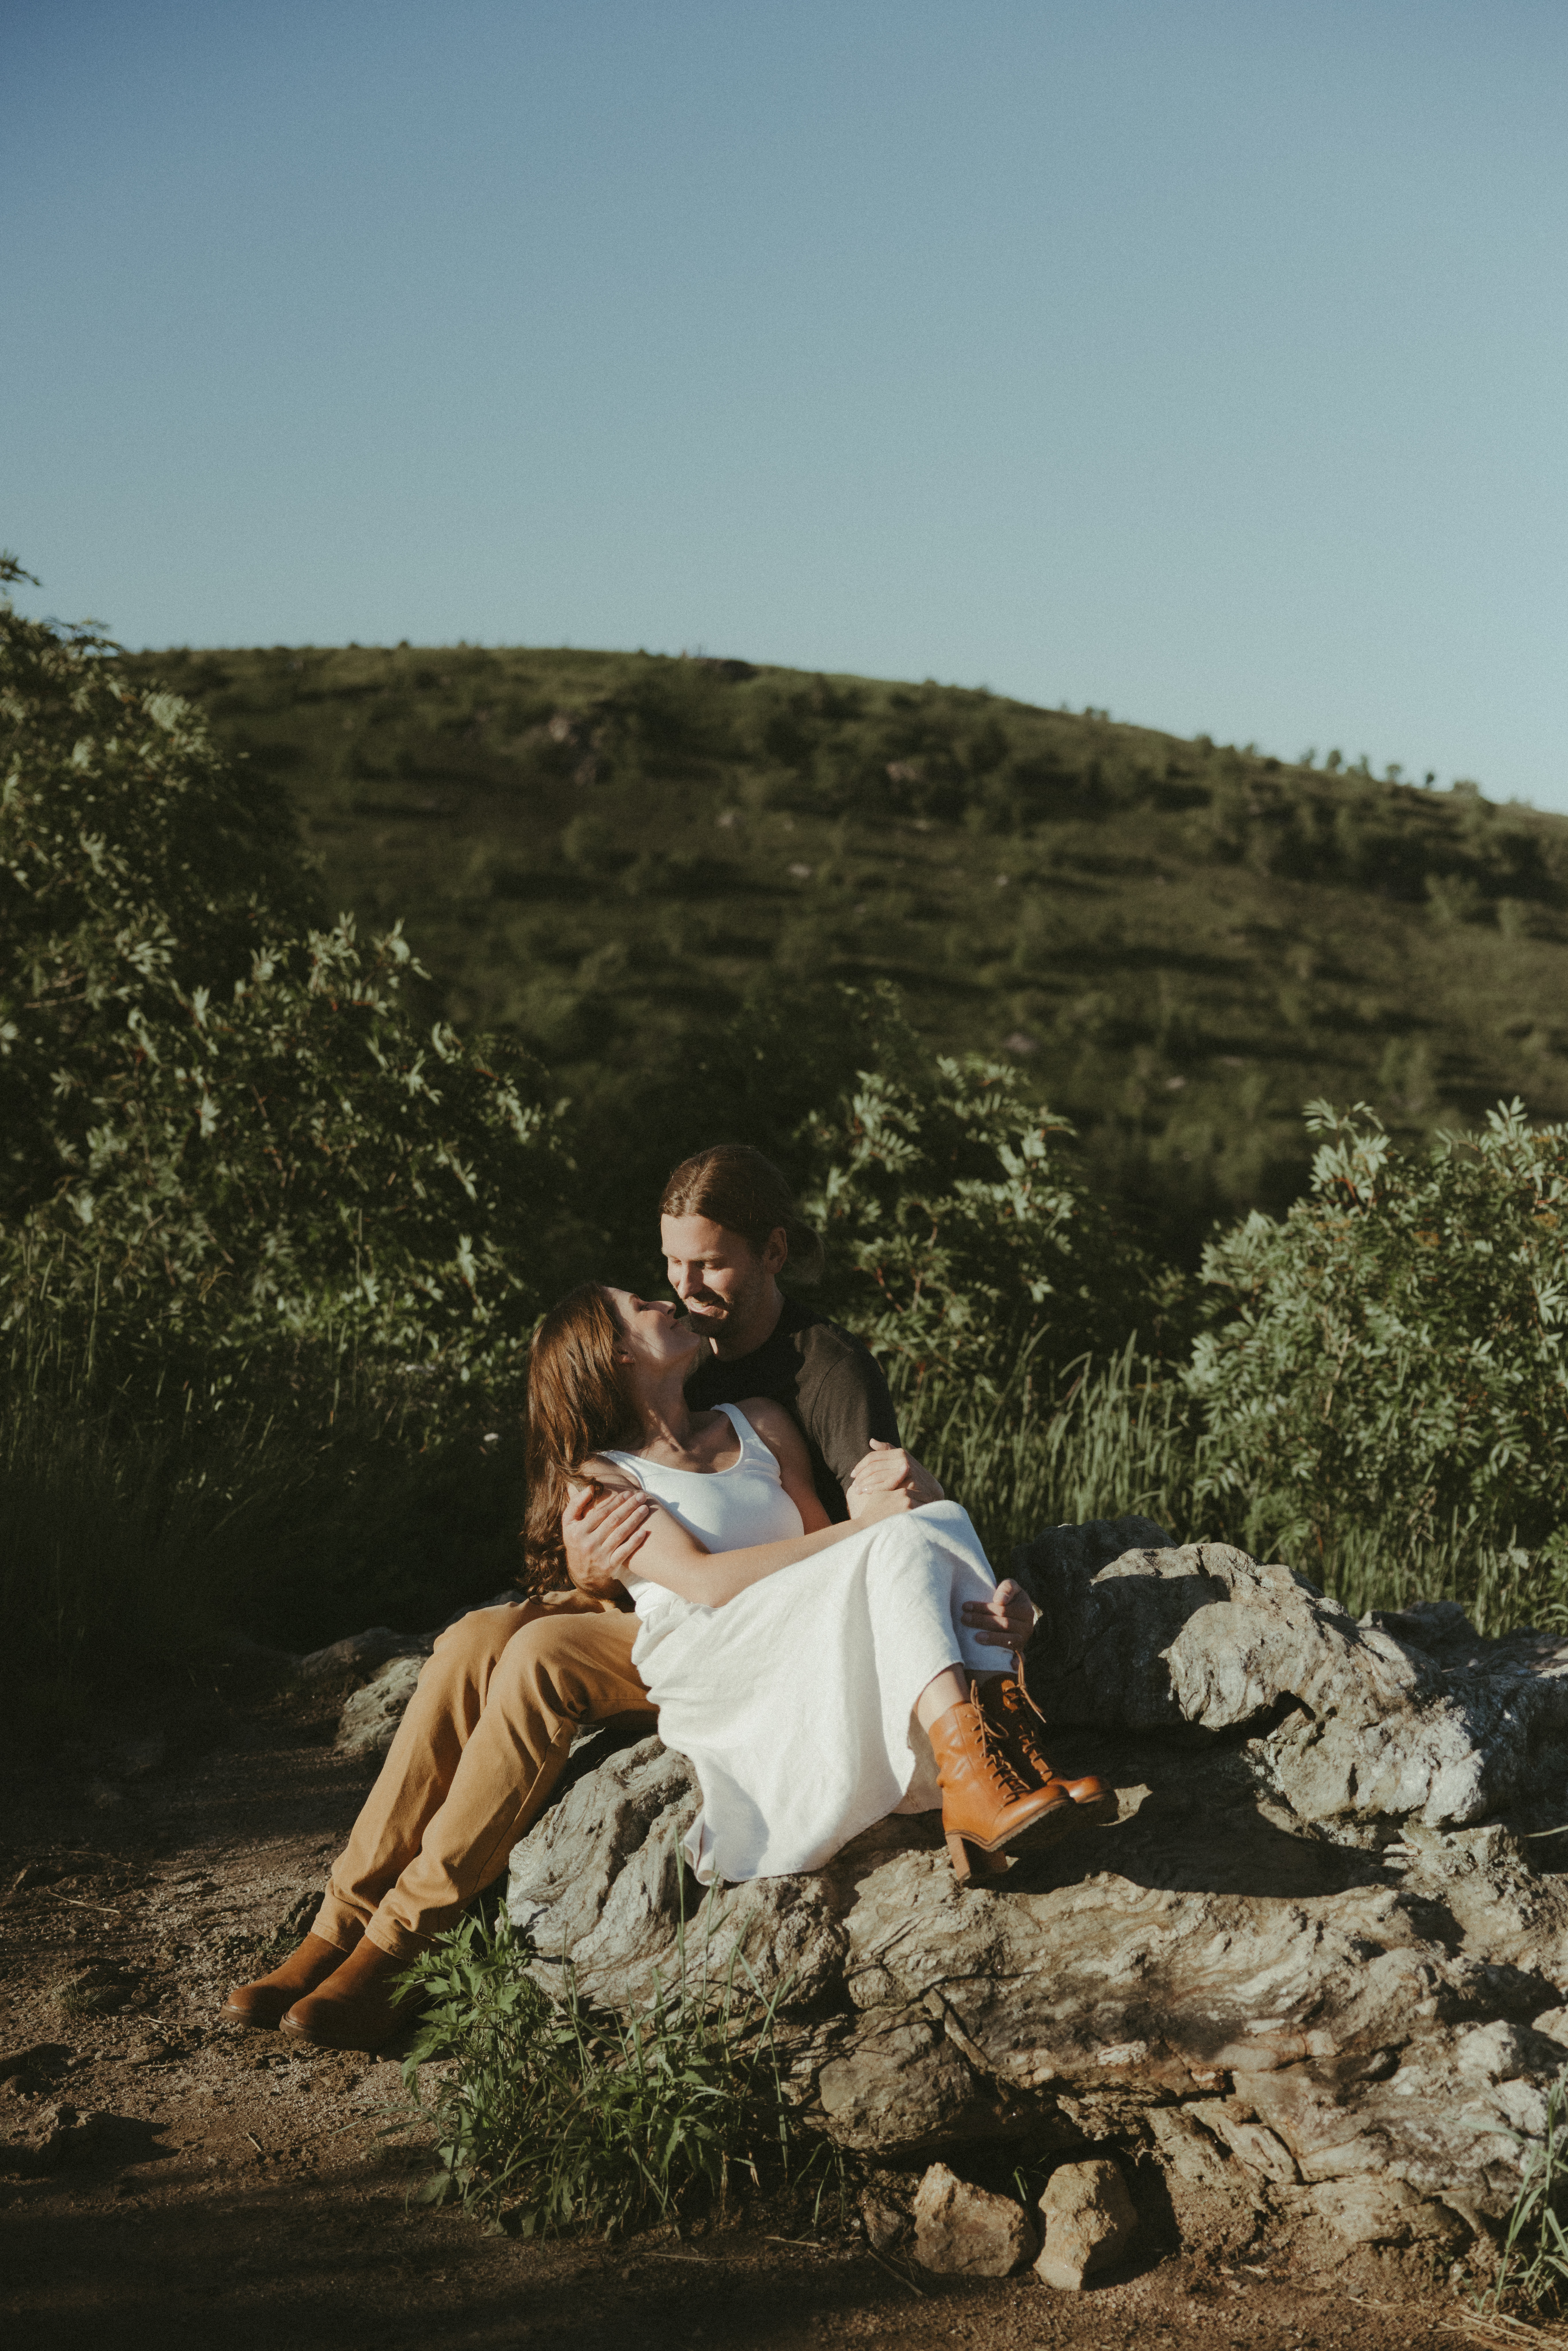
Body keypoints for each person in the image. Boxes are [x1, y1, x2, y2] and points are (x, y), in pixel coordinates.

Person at [218, 1149, 1094, 2052]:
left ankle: (404, 1944)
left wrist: (938, 1550)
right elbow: (630, 1513)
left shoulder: (820, 1376)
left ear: (772, 1255)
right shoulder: (654, 1397)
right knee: (472, 1639)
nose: (682, 1291)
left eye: (708, 1266)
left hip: (770, 1612)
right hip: (672, 1597)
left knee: (537, 1658)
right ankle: (338, 1926)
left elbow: (879, 1508)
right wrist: (584, 1563)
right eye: (669, 1270)